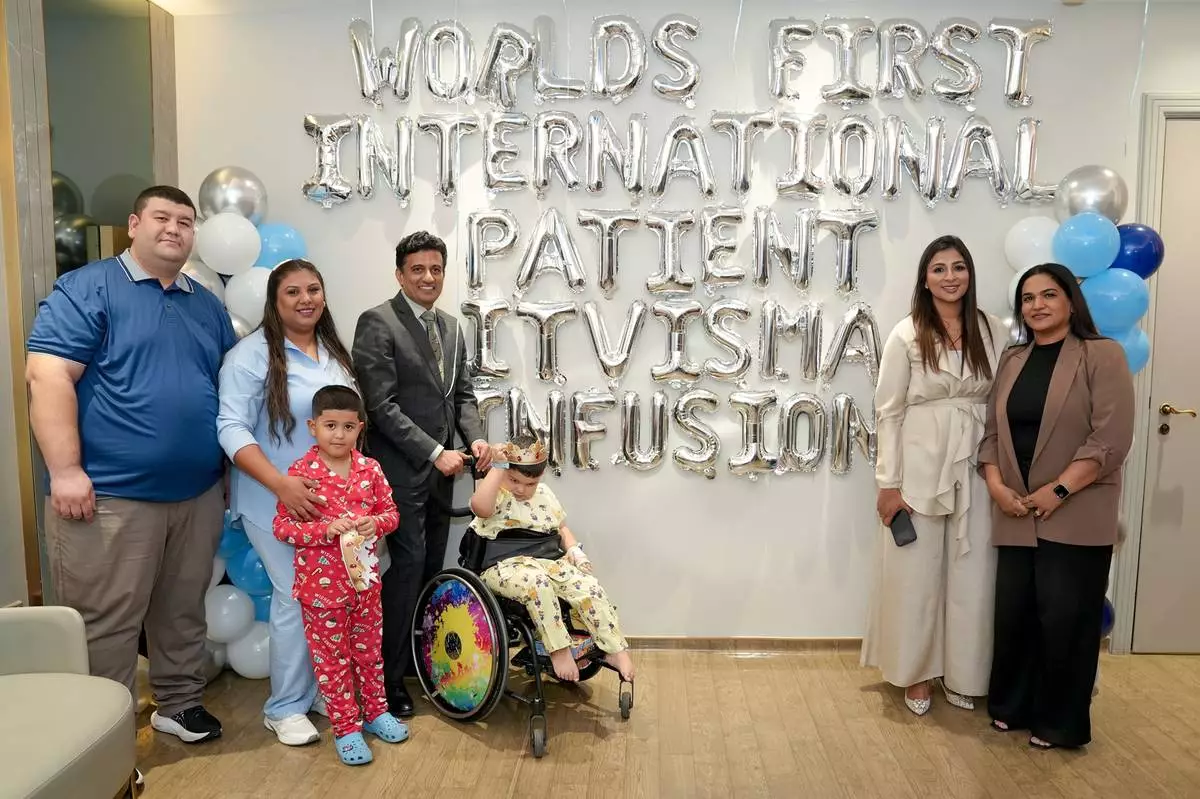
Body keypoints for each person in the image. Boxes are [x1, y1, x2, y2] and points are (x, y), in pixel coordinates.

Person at [26, 186, 234, 774]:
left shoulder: (206, 304)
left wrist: (224, 473)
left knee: (182, 609)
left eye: (185, 221)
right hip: (109, 495)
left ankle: (179, 703)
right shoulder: (87, 288)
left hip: (195, 493)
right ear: (134, 224)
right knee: (105, 624)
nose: (174, 229)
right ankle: (103, 742)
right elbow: (47, 377)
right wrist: (66, 470)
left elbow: (226, 389)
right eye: (162, 218)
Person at [979, 263, 1134, 750]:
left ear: (1071, 301)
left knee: (1067, 620)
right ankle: (1012, 707)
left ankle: (1059, 723)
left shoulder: (1102, 354)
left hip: (1076, 511)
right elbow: (990, 434)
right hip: (1016, 510)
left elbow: (1110, 439)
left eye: (1048, 294)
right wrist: (996, 485)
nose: (1037, 305)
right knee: (1016, 615)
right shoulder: (1013, 359)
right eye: (1028, 298)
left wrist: (1060, 490)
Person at [861, 235, 1010, 716]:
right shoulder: (906, 333)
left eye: (959, 267)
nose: (950, 277)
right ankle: (917, 673)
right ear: (925, 279)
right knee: (916, 575)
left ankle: (963, 673)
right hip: (919, 466)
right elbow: (888, 411)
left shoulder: (992, 329)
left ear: (970, 273)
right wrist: (888, 483)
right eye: (939, 268)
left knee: (974, 574)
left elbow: (1002, 402)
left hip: (977, 463)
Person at [217, 259, 357, 746]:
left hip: (329, 504)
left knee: (331, 599)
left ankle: (318, 691)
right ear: (274, 302)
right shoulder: (250, 355)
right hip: (272, 499)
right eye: (292, 292)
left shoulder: (332, 352)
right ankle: (285, 707)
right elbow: (230, 427)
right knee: (297, 596)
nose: (305, 299)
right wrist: (281, 484)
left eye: (313, 289)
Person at [352, 230, 491, 717]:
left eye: (436, 269)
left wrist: (474, 438)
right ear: (400, 274)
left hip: (442, 473)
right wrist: (435, 451)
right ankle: (388, 683)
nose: (428, 277)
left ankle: (421, 663)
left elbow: (462, 396)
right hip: (399, 474)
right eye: (418, 269)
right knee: (406, 570)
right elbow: (380, 406)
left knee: (432, 567)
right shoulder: (377, 322)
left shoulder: (451, 326)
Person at [272, 385, 407, 766]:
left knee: (369, 654)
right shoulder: (300, 473)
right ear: (313, 427)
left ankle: (377, 712)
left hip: (366, 584)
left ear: (359, 428)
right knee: (332, 661)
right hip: (321, 591)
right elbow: (282, 527)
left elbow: (392, 514)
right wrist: (324, 530)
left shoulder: (370, 469)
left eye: (348, 427)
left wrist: (375, 524)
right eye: (330, 425)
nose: (339, 435)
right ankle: (346, 729)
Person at [468, 435, 636, 683]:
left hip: (547, 562)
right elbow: (480, 507)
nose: (521, 489)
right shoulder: (497, 493)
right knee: (538, 583)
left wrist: (575, 551)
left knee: (587, 585)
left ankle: (614, 648)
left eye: (530, 483)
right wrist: (499, 466)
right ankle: (558, 650)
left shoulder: (544, 494)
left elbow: (561, 528)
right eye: (514, 480)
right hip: (504, 566)